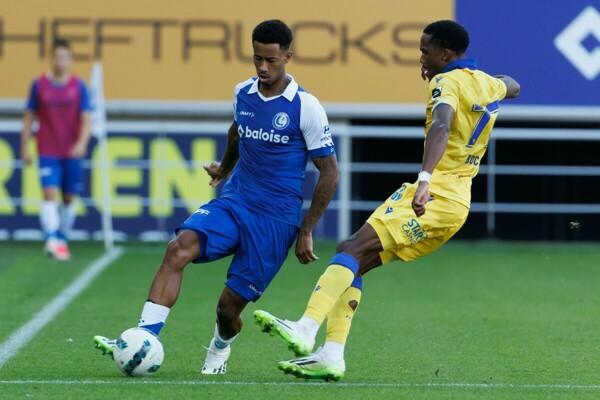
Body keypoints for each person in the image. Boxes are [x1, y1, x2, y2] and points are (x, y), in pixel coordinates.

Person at [253, 19, 521, 381]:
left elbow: (441, 125)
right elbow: (512, 85)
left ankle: (305, 326)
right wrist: (495, 83)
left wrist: (425, 180)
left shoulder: (446, 82)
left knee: (350, 248)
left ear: (444, 54)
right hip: (457, 203)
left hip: (434, 193)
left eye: (425, 52)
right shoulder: (486, 83)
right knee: (356, 260)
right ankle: (331, 355)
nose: (421, 60)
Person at [93, 19, 339, 375]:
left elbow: (330, 172)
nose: (263, 68)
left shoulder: (306, 107)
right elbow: (237, 131)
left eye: (271, 60)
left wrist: (306, 229)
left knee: (227, 309)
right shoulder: (243, 92)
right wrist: (225, 169)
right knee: (178, 248)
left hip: (274, 220)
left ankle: (220, 348)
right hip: (235, 201)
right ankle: (143, 337)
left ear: (288, 55)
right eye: (257, 59)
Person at [21, 38, 92, 261]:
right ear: (51, 58)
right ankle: (52, 238)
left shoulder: (78, 87)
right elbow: (29, 118)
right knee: (49, 192)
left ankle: (62, 235)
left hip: (70, 151)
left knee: (70, 197)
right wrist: (25, 147)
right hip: (47, 149)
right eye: (57, 56)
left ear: (70, 60)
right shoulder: (39, 85)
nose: (60, 61)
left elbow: (87, 118)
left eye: (64, 57)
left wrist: (81, 142)